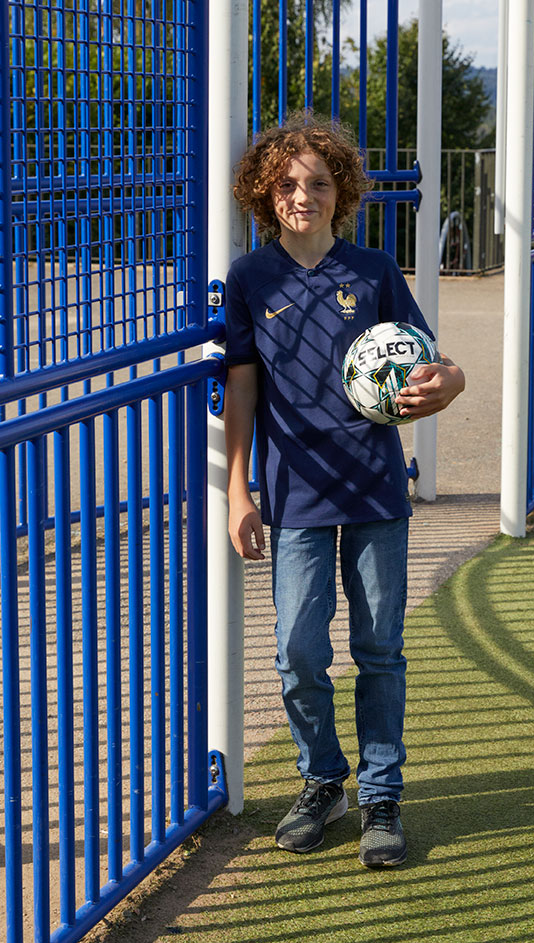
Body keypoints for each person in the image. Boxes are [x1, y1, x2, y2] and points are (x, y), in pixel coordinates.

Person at [222, 113, 465, 867]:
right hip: (294, 495)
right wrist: (239, 491)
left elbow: (432, 362)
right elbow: (241, 393)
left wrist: (450, 382)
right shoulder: (250, 279)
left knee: (378, 649)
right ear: (265, 195)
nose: (304, 196)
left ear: (342, 191)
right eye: (288, 185)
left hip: (374, 491)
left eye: (318, 184)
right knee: (297, 651)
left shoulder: (372, 272)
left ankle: (382, 794)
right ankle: (322, 779)